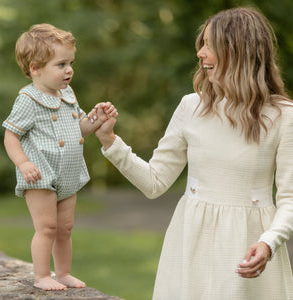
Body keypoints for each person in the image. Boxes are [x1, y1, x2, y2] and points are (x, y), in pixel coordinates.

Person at [94, 7, 293, 300]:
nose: (200, 53)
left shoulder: (283, 115)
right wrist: (110, 140)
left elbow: (289, 198)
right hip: (191, 239)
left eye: (209, 45)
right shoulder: (191, 106)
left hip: (249, 242)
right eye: (201, 44)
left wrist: (268, 243)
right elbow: (154, 182)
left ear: (238, 51)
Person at [2, 24, 117, 291]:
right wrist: (23, 163)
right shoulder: (28, 99)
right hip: (40, 172)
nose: (69, 70)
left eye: (70, 63)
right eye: (61, 64)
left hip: (69, 171)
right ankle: (42, 275)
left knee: (65, 227)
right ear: (35, 68)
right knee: (47, 227)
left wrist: (97, 119)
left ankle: (63, 273)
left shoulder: (67, 94)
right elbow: (11, 136)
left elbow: (79, 128)